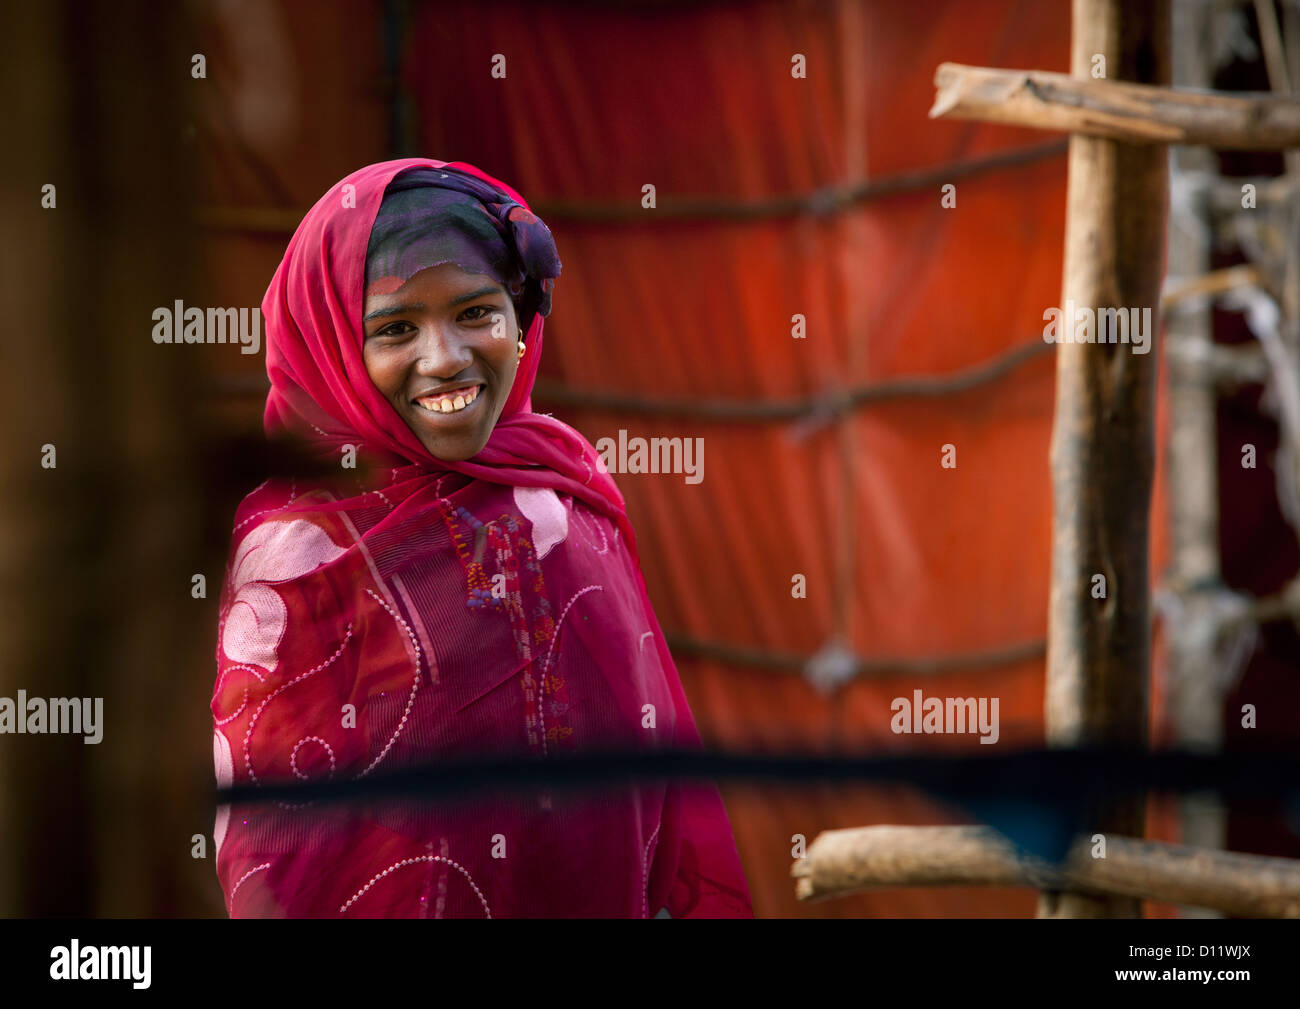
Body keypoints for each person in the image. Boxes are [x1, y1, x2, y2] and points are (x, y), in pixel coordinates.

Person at [209, 158, 753, 918]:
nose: (446, 359)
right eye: (396, 327)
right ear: (329, 340)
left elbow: (649, 786)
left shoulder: (563, 500)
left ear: (520, 318)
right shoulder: (298, 555)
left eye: (476, 313)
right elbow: (281, 848)